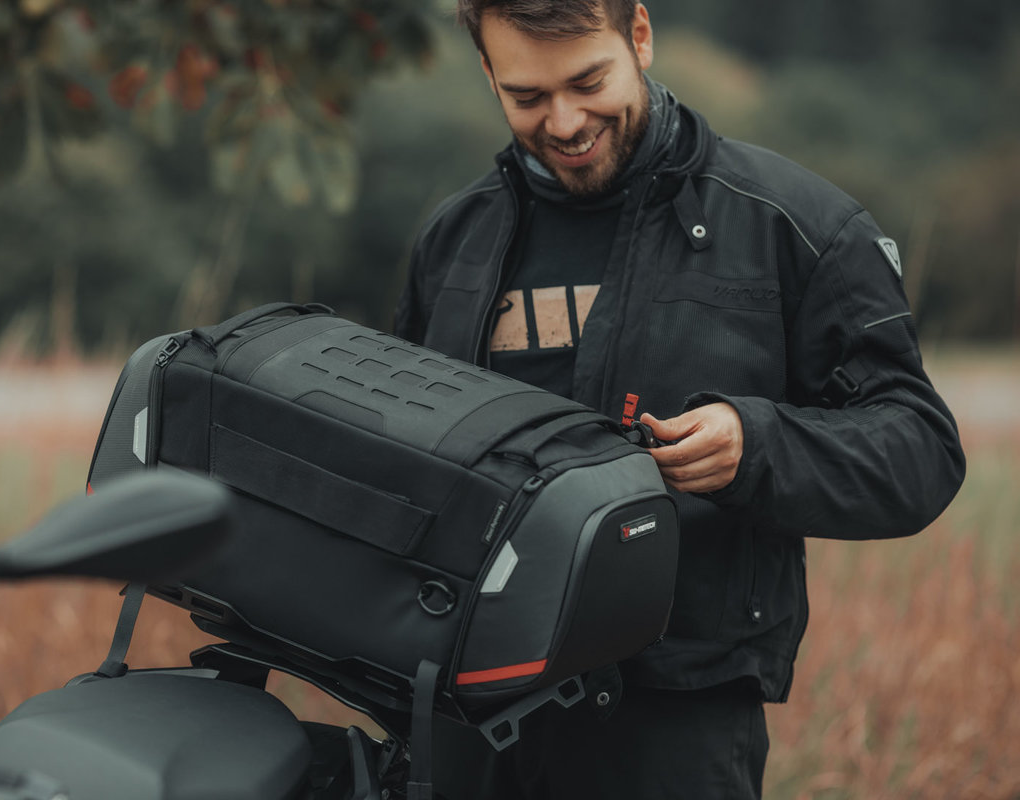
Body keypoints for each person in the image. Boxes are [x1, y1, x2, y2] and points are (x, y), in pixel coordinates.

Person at [393, 1, 966, 797]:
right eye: (527, 96)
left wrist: (756, 446)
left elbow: (921, 451)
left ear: (639, 35)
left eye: (587, 82)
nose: (564, 122)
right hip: (464, 712)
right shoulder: (452, 241)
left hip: (677, 716)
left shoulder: (798, 226)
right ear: (488, 74)